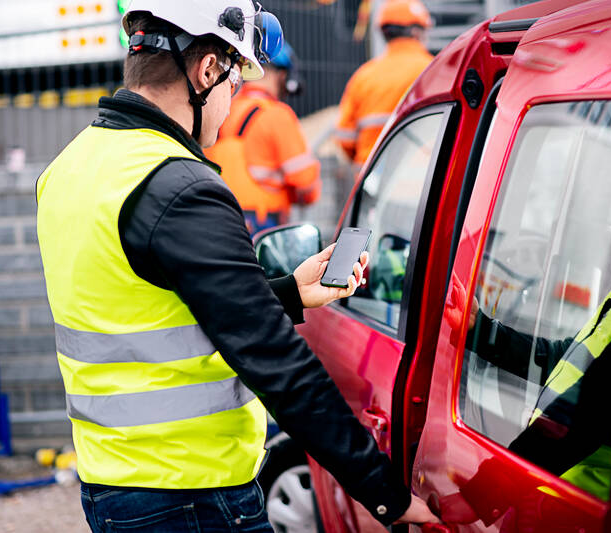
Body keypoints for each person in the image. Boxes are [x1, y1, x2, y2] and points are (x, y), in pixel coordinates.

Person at [35, 0, 438, 530]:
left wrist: (288, 293)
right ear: (206, 71)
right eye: (235, 81)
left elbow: (146, 311)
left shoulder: (69, 167)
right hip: (192, 496)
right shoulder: (180, 186)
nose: (233, 101)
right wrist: (383, 493)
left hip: (113, 486)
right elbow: (276, 361)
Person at [450, 136, 611, 502]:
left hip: (582, 500)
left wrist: (485, 495)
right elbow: (570, 363)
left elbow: (590, 406)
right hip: (564, 491)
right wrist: (479, 331)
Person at [205, 41, 321, 234]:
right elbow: (306, 183)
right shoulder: (277, 115)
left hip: (220, 217)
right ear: (283, 76)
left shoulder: (223, 109)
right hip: (263, 224)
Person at [335, 0, 433, 171]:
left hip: (372, 185)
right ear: (417, 32)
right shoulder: (434, 69)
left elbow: (345, 139)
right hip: (421, 180)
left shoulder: (363, 76)